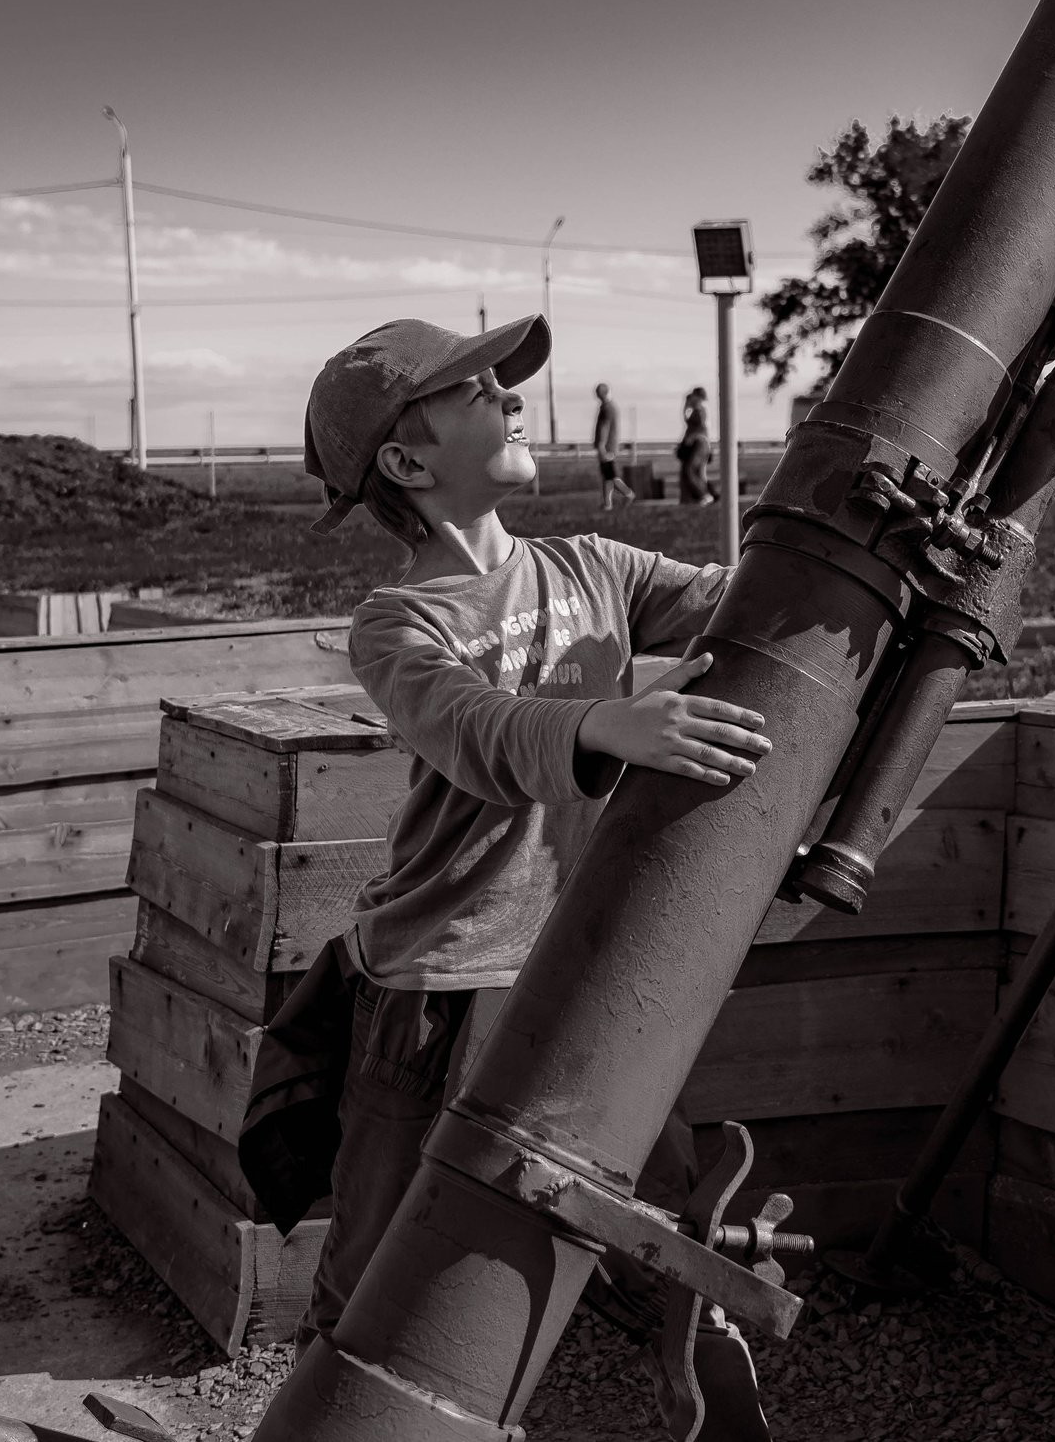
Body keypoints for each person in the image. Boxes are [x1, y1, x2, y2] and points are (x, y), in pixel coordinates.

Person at [240, 315, 770, 1360]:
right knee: (383, 1237)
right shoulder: (398, 622)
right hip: (435, 975)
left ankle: (649, 1348)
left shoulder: (596, 565)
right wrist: (601, 722)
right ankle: (335, 1392)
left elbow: (741, 604)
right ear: (407, 462)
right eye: (475, 390)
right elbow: (475, 730)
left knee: (641, 1190)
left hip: (574, 949)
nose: (512, 396)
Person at [593, 381, 633, 510]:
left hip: (607, 447)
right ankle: (607, 503)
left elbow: (604, 427)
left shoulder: (607, 408)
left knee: (610, 474)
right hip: (610, 445)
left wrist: (601, 445)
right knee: (607, 476)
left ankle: (627, 493)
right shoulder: (610, 407)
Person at [677, 384, 713, 506]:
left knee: (690, 470)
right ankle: (701, 496)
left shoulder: (699, 408)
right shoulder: (702, 408)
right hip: (702, 443)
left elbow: (697, 424)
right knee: (699, 472)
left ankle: (704, 494)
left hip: (699, 443)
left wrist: (688, 405)